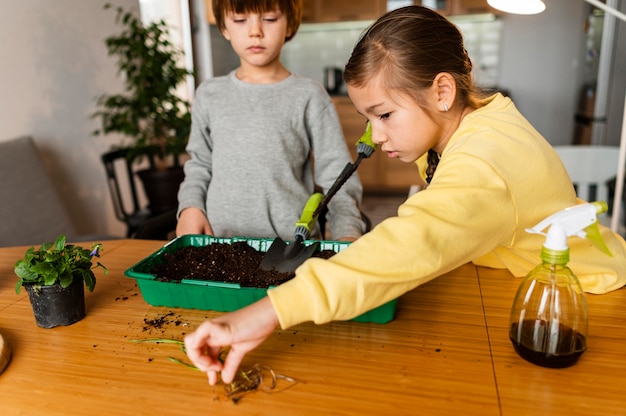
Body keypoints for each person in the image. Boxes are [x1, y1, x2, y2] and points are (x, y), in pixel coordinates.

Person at [184, 5, 626, 385]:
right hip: (520, 285)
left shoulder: (487, 161)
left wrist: (265, 314)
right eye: (368, 119)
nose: (375, 137)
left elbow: (413, 241)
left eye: (385, 115)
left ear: (442, 91)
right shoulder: (466, 126)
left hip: (585, 308)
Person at [176, 0, 365, 241]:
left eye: (269, 19)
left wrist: (347, 235)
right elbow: (200, 165)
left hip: (292, 251)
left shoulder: (309, 96)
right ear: (224, 27)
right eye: (240, 20)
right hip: (219, 248)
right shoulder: (208, 95)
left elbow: (339, 178)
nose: (255, 31)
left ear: (289, 25)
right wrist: (191, 206)